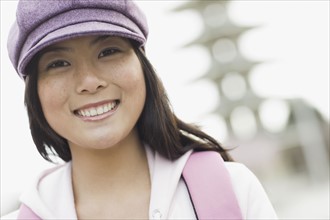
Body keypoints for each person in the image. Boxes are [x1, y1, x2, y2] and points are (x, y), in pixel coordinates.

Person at [3, 0, 277, 219]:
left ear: (143, 67)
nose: (89, 82)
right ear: (34, 92)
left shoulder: (234, 189)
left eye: (108, 51)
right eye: (58, 63)